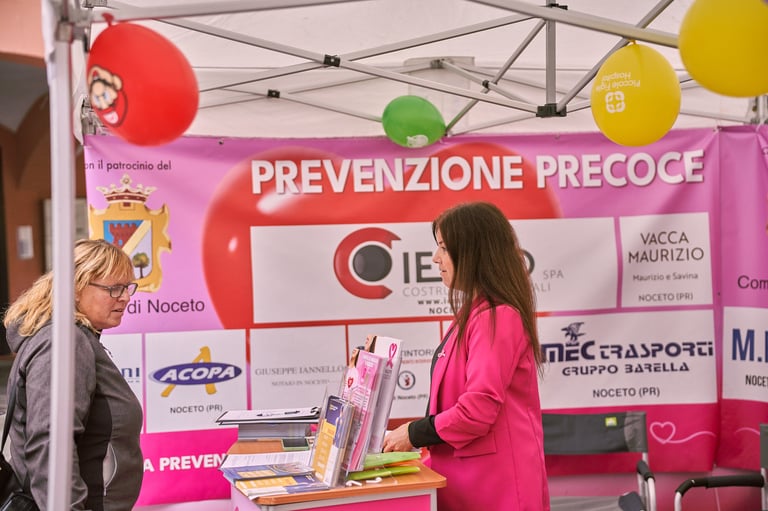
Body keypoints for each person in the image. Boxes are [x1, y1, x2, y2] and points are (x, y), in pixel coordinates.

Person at [381, 201, 550, 511]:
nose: (436, 258)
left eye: (444, 248)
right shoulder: (474, 314)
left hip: (494, 486)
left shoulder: (497, 316)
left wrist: (414, 433)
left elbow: (477, 410)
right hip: (464, 479)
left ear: (473, 252)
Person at [3, 238, 144, 511]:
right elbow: (50, 443)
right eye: (114, 288)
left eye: (127, 287)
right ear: (75, 289)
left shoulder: (72, 338)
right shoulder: (64, 342)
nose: (126, 297)